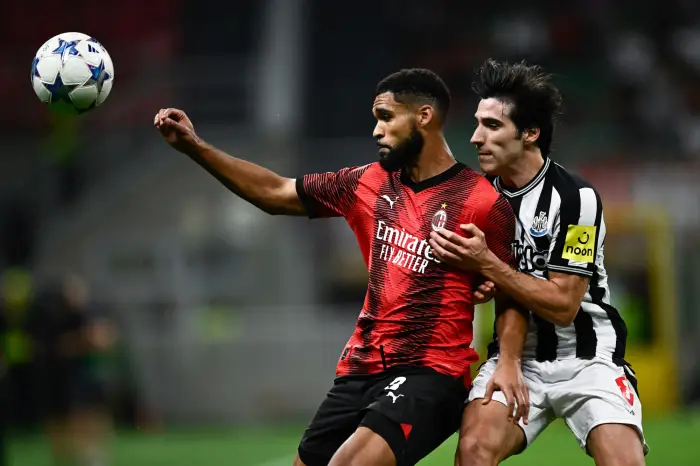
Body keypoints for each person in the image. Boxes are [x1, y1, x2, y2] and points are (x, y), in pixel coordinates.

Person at [154, 68, 529, 466]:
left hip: (430, 373)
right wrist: (195, 147)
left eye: (386, 117)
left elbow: (511, 288)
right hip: (359, 370)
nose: (376, 130)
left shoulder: (482, 201)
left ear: (424, 116)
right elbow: (275, 191)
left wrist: (509, 361)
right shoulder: (365, 183)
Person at [428, 59, 648, 466]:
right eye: (477, 124)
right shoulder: (477, 200)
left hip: (588, 357)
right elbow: (478, 281)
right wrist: (474, 285)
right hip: (517, 357)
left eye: (492, 126)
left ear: (530, 133)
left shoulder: (576, 200)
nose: (476, 137)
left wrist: (488, 265)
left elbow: (563, 306)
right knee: (473, 451)